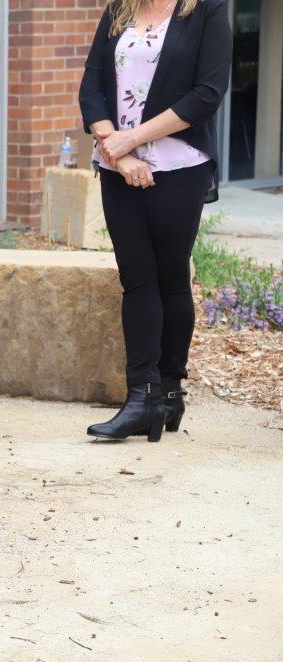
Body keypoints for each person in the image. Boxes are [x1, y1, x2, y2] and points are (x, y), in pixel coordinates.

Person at [79, 0, 231, 441]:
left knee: (170, 279)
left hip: (179, 166)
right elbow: (91, 85)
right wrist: (120, 153)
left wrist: (134, 137)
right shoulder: (119, 9)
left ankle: (169, 392)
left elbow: (206, 93)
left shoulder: (206, 10)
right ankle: (140, 398)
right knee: (137, 279)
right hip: (116, 166)